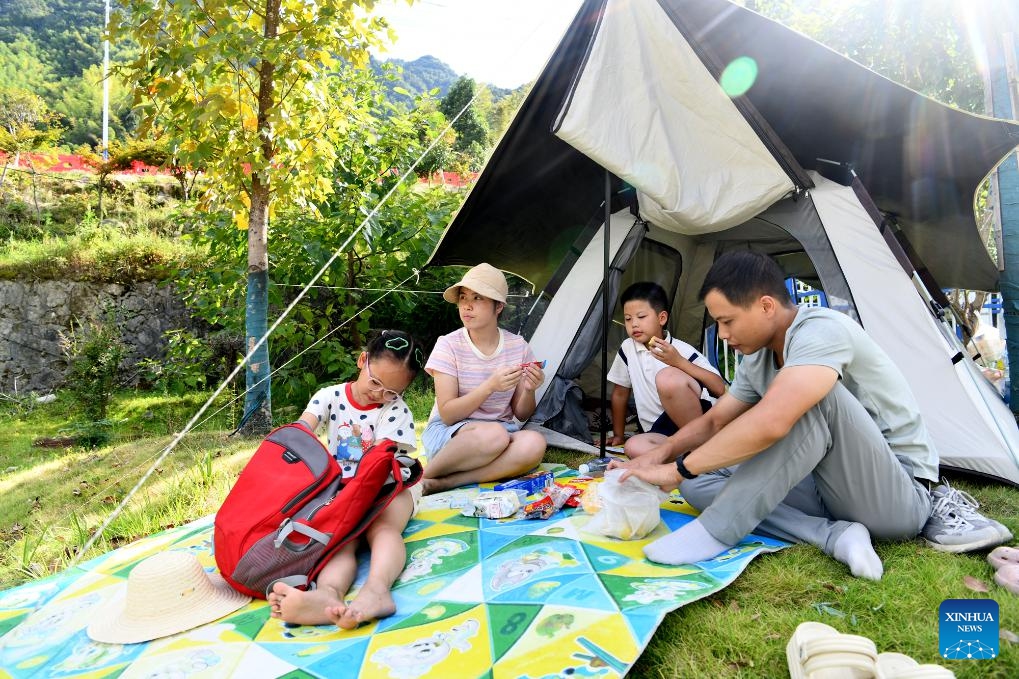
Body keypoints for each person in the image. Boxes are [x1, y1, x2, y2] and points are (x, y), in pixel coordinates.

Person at [614, 251, 1008, 581]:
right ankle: (833, 536)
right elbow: (716, 421)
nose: (722, 335)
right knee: (699, 483)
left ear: (766, 306)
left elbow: (773, 421)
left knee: (811, 400)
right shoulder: (758, 357)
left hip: (892, 493)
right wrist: (659, 458)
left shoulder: (822, 331)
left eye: (727, 321)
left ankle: (717, 530)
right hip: (824, 486)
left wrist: (677, 469)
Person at [267, 329, 426, 628]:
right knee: (340, 539)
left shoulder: (396, 411)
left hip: (389, 486)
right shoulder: (330, 396)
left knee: (383, 528)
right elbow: (300, 434)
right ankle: (328, 594)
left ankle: (377, 590)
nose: (380, 394)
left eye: (391, 392)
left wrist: (354, 496)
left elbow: (383, 461)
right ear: (362, 361)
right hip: (342, 489)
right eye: (375, 382)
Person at [421, 262, 547, 494]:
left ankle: (446, 482)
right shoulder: (448, 345)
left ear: (498, 306)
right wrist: (490, 386)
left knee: (534, 442)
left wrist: (529, 389)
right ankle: (423, 478)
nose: (467, 305)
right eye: (463, 297)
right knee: (494, 435)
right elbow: (448, 414)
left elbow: (521, 414)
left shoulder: (517, 346)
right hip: (452, 435)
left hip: (501, 434)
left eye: (478, 298)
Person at [606, 281, 726, 456]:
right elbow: (620, 393)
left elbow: (719, 387)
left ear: (661, 318)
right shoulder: (627, 348)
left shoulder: (680, 350)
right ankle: (689, 456)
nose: (634, 324)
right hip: (661, 430)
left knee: (668, 378)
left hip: (696, 419)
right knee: (633, 447)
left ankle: (701, 447)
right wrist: (618, 434)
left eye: (641, 316)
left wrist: (679, 362)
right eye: (628, 319)